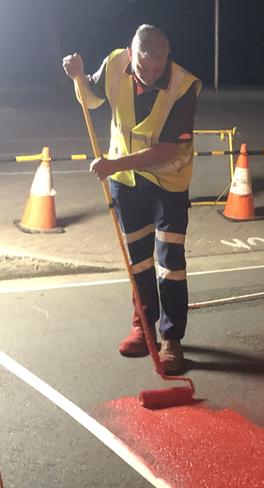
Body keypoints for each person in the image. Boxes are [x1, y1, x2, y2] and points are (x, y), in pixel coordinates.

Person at [62, 25, 201, 375]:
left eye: (158, 68)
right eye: (144, 67)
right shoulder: (113, 64)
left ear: (167, 55)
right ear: (131, 52)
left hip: (168, 180)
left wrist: (113, 165)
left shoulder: (184, 87)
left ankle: (172, 338)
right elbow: (91, 97)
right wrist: (78, 77)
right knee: (137, 258)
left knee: (170, 260)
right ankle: (143, 325)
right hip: (127, 182)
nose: (151, 75)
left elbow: (168, 148)